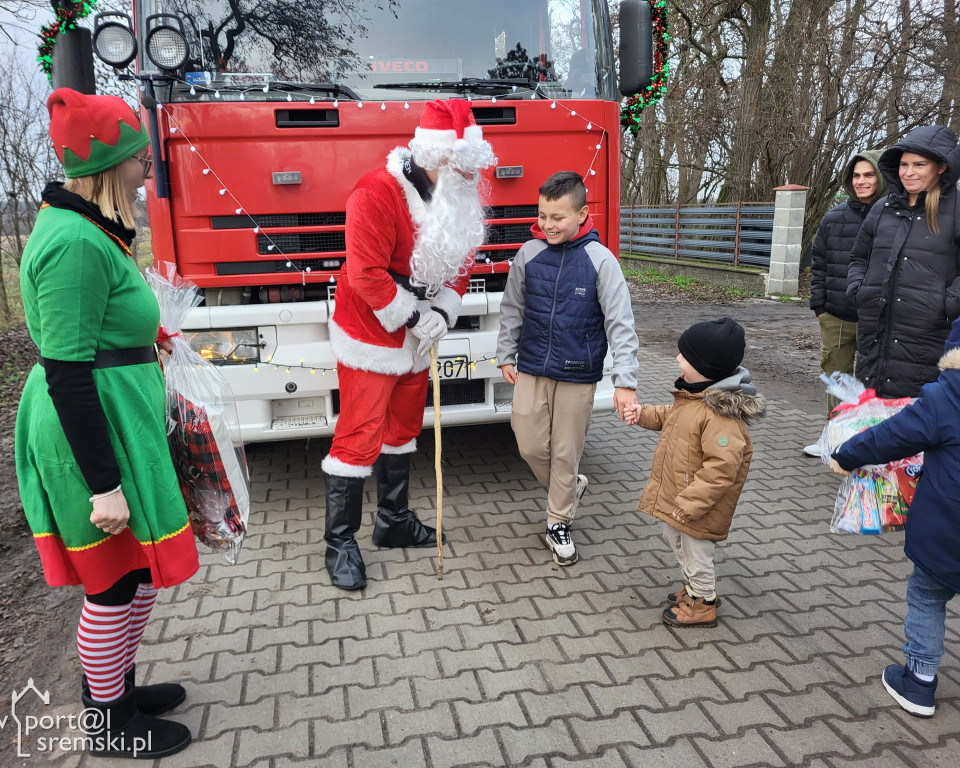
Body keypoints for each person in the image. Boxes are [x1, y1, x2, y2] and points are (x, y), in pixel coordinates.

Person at [15, 88, 199, 759]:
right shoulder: (71, 245)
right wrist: (103, 486)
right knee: (113, 582)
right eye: (139, 158)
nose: (147, 167)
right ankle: (106, 722)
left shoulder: (93, 232)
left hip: (121, 415)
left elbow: (98, 335)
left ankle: (118, 690)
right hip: (84, 432)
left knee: (136, 574)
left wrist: (148, 342)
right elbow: (66, 371)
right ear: (110, 165)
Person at [321, 99, 496, 590]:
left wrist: (443, 310)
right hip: (371, 328)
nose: (466, 177)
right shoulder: (375, 192)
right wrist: (415, 315)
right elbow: (366, 274)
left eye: (469, 167)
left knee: (402, 427)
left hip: (418, 332)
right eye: (459, 166)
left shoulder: (453, 198)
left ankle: (392, 521)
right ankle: (339, 542)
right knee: (360, 433)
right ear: (435, 158)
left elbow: (462, 261)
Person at [496, 171, 639, 566]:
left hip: (578, 370)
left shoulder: (601, 260)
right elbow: (512, 308)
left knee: (564, 451)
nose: (547, 225)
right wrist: (506, 353)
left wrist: (624, 381)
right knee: (528, 443)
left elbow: (621, 323)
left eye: (557, 217)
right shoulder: (528, 253)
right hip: (532, 367)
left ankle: (558, 522)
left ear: (581, 214)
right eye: (543, 216)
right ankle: (570, 487)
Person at [829, 318, 960, 718]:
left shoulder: (948, 397)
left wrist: (844, 456)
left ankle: (919, 683)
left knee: (926, 595)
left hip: (948, 534)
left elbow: (890, 437)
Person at [623, 318, 764, 627]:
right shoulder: (695, 396)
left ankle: (703, 601)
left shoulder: (721, 417)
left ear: (706, 367)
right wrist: (643, 413)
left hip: (699, 504)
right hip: (684, 498)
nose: (677, 359)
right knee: (672, 536)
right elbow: (670, 416)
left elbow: (721, 469)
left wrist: (692, 502)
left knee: (696, 552)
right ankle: (694, 587)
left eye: (684, 357)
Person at [847, 125, 960, 399]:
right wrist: (858, 290)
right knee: (872, 420)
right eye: (904, 164)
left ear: (941, 166)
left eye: (919, 164)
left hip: (927, 337)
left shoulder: (957, 209)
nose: (908, 172)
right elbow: (858, 256)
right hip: (875, 332)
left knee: (914, 423)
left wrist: (948, 303)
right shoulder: (883, 207)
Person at [803, 150, 886, 456]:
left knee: (873, 380)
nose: (862, 181)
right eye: (856, 176)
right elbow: (819, 263)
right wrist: (820, 307)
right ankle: (834, 439)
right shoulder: (834, 217)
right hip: (836, 315)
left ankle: (869, 441)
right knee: (838, 378)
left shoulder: (894, 215)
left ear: (882, 177)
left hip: (878, 317)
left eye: (869, 174)